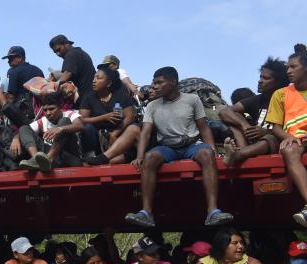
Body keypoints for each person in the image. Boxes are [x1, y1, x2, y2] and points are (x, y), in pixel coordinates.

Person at [125, 66, 233, 228]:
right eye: (153, 82)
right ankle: (146, 213)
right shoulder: (152, 106)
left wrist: (213, 150)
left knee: (206, 153)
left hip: (191, 145)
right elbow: (146, 133)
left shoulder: (192, 100)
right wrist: (140, 156)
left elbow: (203, 128)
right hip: (168, 148)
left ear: (173, 82)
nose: (154, 86)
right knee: (150, 157)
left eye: (159, 82)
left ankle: (213, 211)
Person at [219, 57, 288, 166]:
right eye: (260, 76)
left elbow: (293, 129)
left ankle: (237, 155)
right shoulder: (258, 99)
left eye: (266, 78)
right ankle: (242, 151)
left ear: (278, 82)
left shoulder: (287, 100)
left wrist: (267, 132)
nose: (260, 81)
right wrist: (244, 124)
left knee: (270, 138)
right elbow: (225, 112)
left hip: (277, 143)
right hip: (252, 143)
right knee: (235, 118)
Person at [266, 48, 307, 226]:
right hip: (296, 138)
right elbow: (275, 127)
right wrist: (288, 136)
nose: (288, 71)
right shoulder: (280, 94)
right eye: (287, 67)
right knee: (289, 150)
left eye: (293, 66)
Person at [80, 66, 141, 165]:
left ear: (109, 83)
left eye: (99, 78)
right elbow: (81, 120)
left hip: (120, 135)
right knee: (87, 127)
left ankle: (110, 158)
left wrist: (115, 133)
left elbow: (130, 116)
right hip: (99, 138)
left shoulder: (120, 95)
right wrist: (104, 117)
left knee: (114, 160)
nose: (94, 81)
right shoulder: (89, 97)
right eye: (94, 78)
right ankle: (91, 157)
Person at [15, 92, 84, 172]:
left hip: (70, 157)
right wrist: (16, 139)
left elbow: (79, 125)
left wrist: (60, 129)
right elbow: (25, 131)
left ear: (60, 107)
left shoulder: (70, 114)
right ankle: (36, 160)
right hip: (49, 159)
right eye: (45, 110)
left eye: (51, 109)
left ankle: (49, 158)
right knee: (23, 128)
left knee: (64, 121)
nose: (48, 113)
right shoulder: (43, 121)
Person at [48, 34, 96, 101]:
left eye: (58, 50)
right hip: (92, 96)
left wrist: (53, 87)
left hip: (87, 99)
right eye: (55, 52)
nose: (58, 54)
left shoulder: (71, 55)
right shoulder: (79, 52)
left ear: (67, 44)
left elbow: (67, 74)